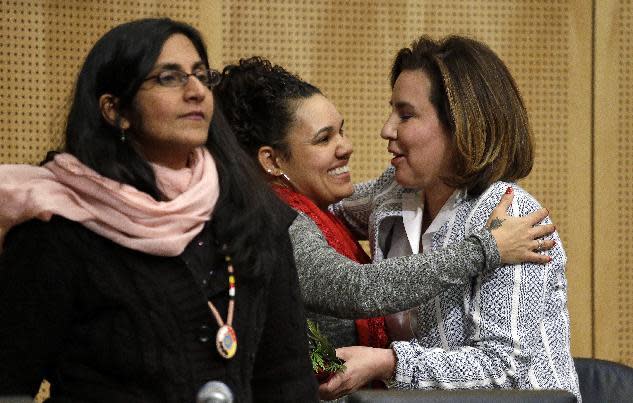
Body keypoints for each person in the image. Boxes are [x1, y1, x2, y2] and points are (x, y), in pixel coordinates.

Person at [0, 19, 317, 402]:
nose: (196, 91)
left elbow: (287, 380)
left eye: (202, 75)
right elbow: (9, 384)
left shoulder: (253, 212)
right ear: (115, 110)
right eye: (169, 78)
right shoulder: (60, 226)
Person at [214, 57, 555, 353]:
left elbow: (508, 369)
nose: (347, 147)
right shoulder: (275, 222)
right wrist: (485, 248)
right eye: (324, 138)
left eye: (341, 131)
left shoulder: (506, 211)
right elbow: (357, 287)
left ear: (460, 126)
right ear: (271, 161)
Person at [318, 35, 581, 401]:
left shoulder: (513, 217)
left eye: (405, 115)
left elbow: (501, 371)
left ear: (461, 125)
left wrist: (389, 362)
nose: (387, 129)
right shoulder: (396, 192)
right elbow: (321, 213)